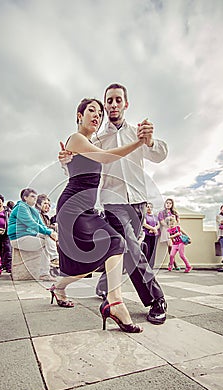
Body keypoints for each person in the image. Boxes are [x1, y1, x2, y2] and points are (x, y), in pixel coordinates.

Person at [59, 84, 168, 325]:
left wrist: (149, 142)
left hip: (139, 200)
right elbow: (78, 165)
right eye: (109, 101)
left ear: (126, 104)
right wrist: (66, 159)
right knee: (128, 245)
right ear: (106, 105)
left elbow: (160, 155)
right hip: (113, 202)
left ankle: (104, 285)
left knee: (129, 250)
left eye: (118, 100)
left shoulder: (138, 132)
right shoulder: (96, 137)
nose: (113, 105)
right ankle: (155, 299)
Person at [7, 188, 58, 281]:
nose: (35, 198)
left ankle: (54, 259)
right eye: (32, 196)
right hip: (18, 238)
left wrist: (51, 232)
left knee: (48, 236)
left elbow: (42, 226)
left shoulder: (34, 211)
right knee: (46, 241)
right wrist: (50, 232)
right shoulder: (21, 207)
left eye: (35, 196)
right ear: (25, 198)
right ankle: (51, 264)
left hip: (29, 235)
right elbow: (31, 224)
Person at [36, 194, 59, 272]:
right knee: (49, 235)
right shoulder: (35, 213)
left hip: (41, 236)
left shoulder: (45, 217)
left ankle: (46, 271)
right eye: (45, 203)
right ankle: (55, 258)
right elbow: (40, 228)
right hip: (32, 234)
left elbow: (46, 226)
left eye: (49, 205)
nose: (47, 206)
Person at [158, 198, 180, 270]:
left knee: (174, 246)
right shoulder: (162, 213)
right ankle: (174, 263)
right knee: (170, 245)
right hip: (166, 230)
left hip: (174, 231)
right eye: (167, 203)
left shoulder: (174, 213)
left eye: (170, 203)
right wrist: (168, 226)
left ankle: (171, 263)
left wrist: (173, 223)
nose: (168, 204)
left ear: (172, 204)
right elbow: (162, 222)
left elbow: (178, 222)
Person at [142, 202, 160, 269]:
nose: (149, 208)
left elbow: (158, 225)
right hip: (147, 235)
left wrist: (154, 229)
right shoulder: (145, 216)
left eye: (150, 207)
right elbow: (144, 224)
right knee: (147, 250)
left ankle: (151, 266)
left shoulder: (155, 216)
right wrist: (153, 228)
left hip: (154, 235)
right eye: (147, 207)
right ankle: (145, 266)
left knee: (153, 251)